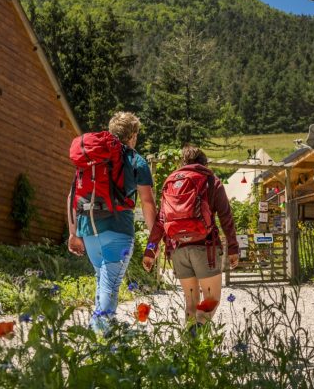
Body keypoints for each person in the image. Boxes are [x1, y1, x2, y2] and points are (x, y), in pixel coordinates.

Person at [67, 112, 156, 331]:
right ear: (132, 135)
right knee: (110, 284)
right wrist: (154, 242)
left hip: (88, 230)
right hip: (118, 230)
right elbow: (147, 203)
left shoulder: (93, 159)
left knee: (102, 280)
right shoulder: (135, 160)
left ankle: (103, 329)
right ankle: (99, 333)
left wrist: (73, 233)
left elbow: (72, 196)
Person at [143, 145, 239, 324]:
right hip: (205, 249)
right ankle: (198, 343)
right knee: (210, 303)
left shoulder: (171, 181)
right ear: (204, 163)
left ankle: (189, 347)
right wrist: (233, 247)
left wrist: (150, 249)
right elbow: (226, 216)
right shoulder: (210, 180)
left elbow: (160, 221)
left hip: (178, 250)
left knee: (191, 305)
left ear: (183, 163)